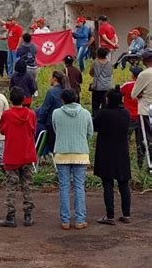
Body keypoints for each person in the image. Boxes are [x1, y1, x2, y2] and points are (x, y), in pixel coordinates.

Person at [52, 89, 93, 230]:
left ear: (62, 99)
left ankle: (65, 221)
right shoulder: (86, 113)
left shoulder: (56, 113)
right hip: (80, 153)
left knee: (64, 187)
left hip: (62, 154)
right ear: (76, 98)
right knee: (79, 187)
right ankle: (80, 220)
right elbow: (90, 133)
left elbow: (55, 129)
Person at [0, 87, 37, 228]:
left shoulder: (7, 115)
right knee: (27, 185)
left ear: (10, 99)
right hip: (27, 154)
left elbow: (2, 130)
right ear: (23, 99)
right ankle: (28, 215)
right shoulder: (31, 114)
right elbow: (33, 130)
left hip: (12, 155)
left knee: (11, 186)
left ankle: (11, 216)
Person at [94, 86, 131, 225]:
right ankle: (126, 214)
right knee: (124, 183)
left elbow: (94, 125)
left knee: (107, 183)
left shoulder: (103, 113)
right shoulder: (126, 114)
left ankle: (110, 216)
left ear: (108, 99)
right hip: (122, 152)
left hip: (106, 151)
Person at [36, 71, 66, 153]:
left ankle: (41, 151)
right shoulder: (65, 90)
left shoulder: (51, 92)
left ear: (54, 79)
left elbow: (45, 109)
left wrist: (39, 120)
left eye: (51, 77)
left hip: (51, 122)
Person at [131, 49, 152, 169]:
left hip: (145, 110)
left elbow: (134, 94)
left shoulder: (143, 74)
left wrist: (141, 93)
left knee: (146, 138)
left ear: (144, 61)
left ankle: (148, 165)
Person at [121, 66, 144, 169]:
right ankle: (141, 163)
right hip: (141, 116)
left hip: (128, 117)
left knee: (125, 140)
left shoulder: (127, 85)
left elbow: (117, 93)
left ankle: (124, 161)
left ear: (133, 75)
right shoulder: (145, 86)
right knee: (140, 141)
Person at [90, 47, 113, 117]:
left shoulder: (95, 63)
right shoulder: (110, 63)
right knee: (105, 104)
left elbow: (91, 73)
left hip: (98, 87)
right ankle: (105, 119)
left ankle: (96, 120)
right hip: (108, 86)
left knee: (95, 105)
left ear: (98, 54)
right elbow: (111, 73)